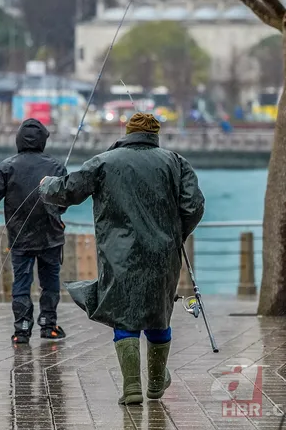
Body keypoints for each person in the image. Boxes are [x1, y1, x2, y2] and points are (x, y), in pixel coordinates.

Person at [38, 112, 204, 405]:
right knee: (158, 311)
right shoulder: (176, 162)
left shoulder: (105, 161)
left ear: (128, 132)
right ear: (155, 134)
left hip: (119, 253)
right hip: (163, 253)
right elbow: (194, 206)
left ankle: (131, 387)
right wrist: (176, 234)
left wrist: (45, 184)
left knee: (123, 310)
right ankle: (155, 382)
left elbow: (68, 190)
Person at [0, 118, 68, 345]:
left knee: (22, 281)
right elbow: (64, 201)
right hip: (51, 234)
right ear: (43, 141)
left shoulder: (6, 166)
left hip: (19, 235)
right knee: (50, 281)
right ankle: (49, 326)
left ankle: (22, 329)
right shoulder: (57, 167)